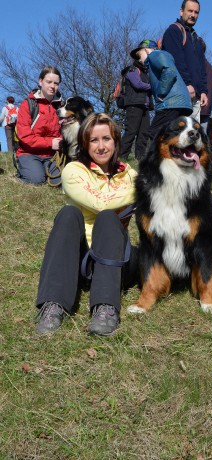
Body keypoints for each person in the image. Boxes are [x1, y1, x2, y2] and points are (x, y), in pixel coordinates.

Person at [35, 112, 138, 336]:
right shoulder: (73, 170)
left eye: (106, 139)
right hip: (78, 261)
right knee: (69, 213)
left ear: (116, 141)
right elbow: (100, 202)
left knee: (109, 218)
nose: (101, 146)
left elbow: (151, 192)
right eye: (94, 140)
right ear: (84, 143)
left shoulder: (129, 173)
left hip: (114, 259)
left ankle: (106, 308)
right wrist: (134, 194)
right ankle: (53, 305)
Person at [130, 39, 192, 139]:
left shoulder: (155, 55)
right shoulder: (155, 61)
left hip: (170, 103)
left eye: (139, 55)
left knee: (155, 132)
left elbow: (169, 71)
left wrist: (160, 93)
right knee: (174, 134)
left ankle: (161, 155)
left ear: (146, 50)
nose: (139, 60)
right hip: (179, 102)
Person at [162, 0, 208, 122]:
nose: (193, 15)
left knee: (193, 136)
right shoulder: (174, 31)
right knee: (177, 135)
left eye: (196, 12)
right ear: (181, 11)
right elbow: (176, 60)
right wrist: (187, 83)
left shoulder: (197, 39)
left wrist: (203, 91)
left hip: (196, 96)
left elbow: (201, 67)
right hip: (178, 93)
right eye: (190, 11)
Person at [16, 66, 63, 185]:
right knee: (36, 180)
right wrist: (51, 143)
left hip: (52, 155)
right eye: (49, 82)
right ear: (40, 81)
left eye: (56, 83)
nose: (52, 86)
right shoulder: (28, 104)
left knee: (60, 181)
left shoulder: (61, 107)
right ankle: (22, 171)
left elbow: (65, 133)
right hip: (29, 153)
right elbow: (25, 136)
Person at [120, 60, 153, 161]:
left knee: (144, 133)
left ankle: (140, 158)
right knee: (131, 132)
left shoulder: (145, 73)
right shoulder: (132, 70)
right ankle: (121, 157)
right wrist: (153, 86)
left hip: (145, 106)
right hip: (133, 105)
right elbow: (137, 84)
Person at [199, 40, 212, 134]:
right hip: (206, 108)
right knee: (202, 137)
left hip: (197, 106)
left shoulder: (198, 66)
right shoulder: (210, 68)